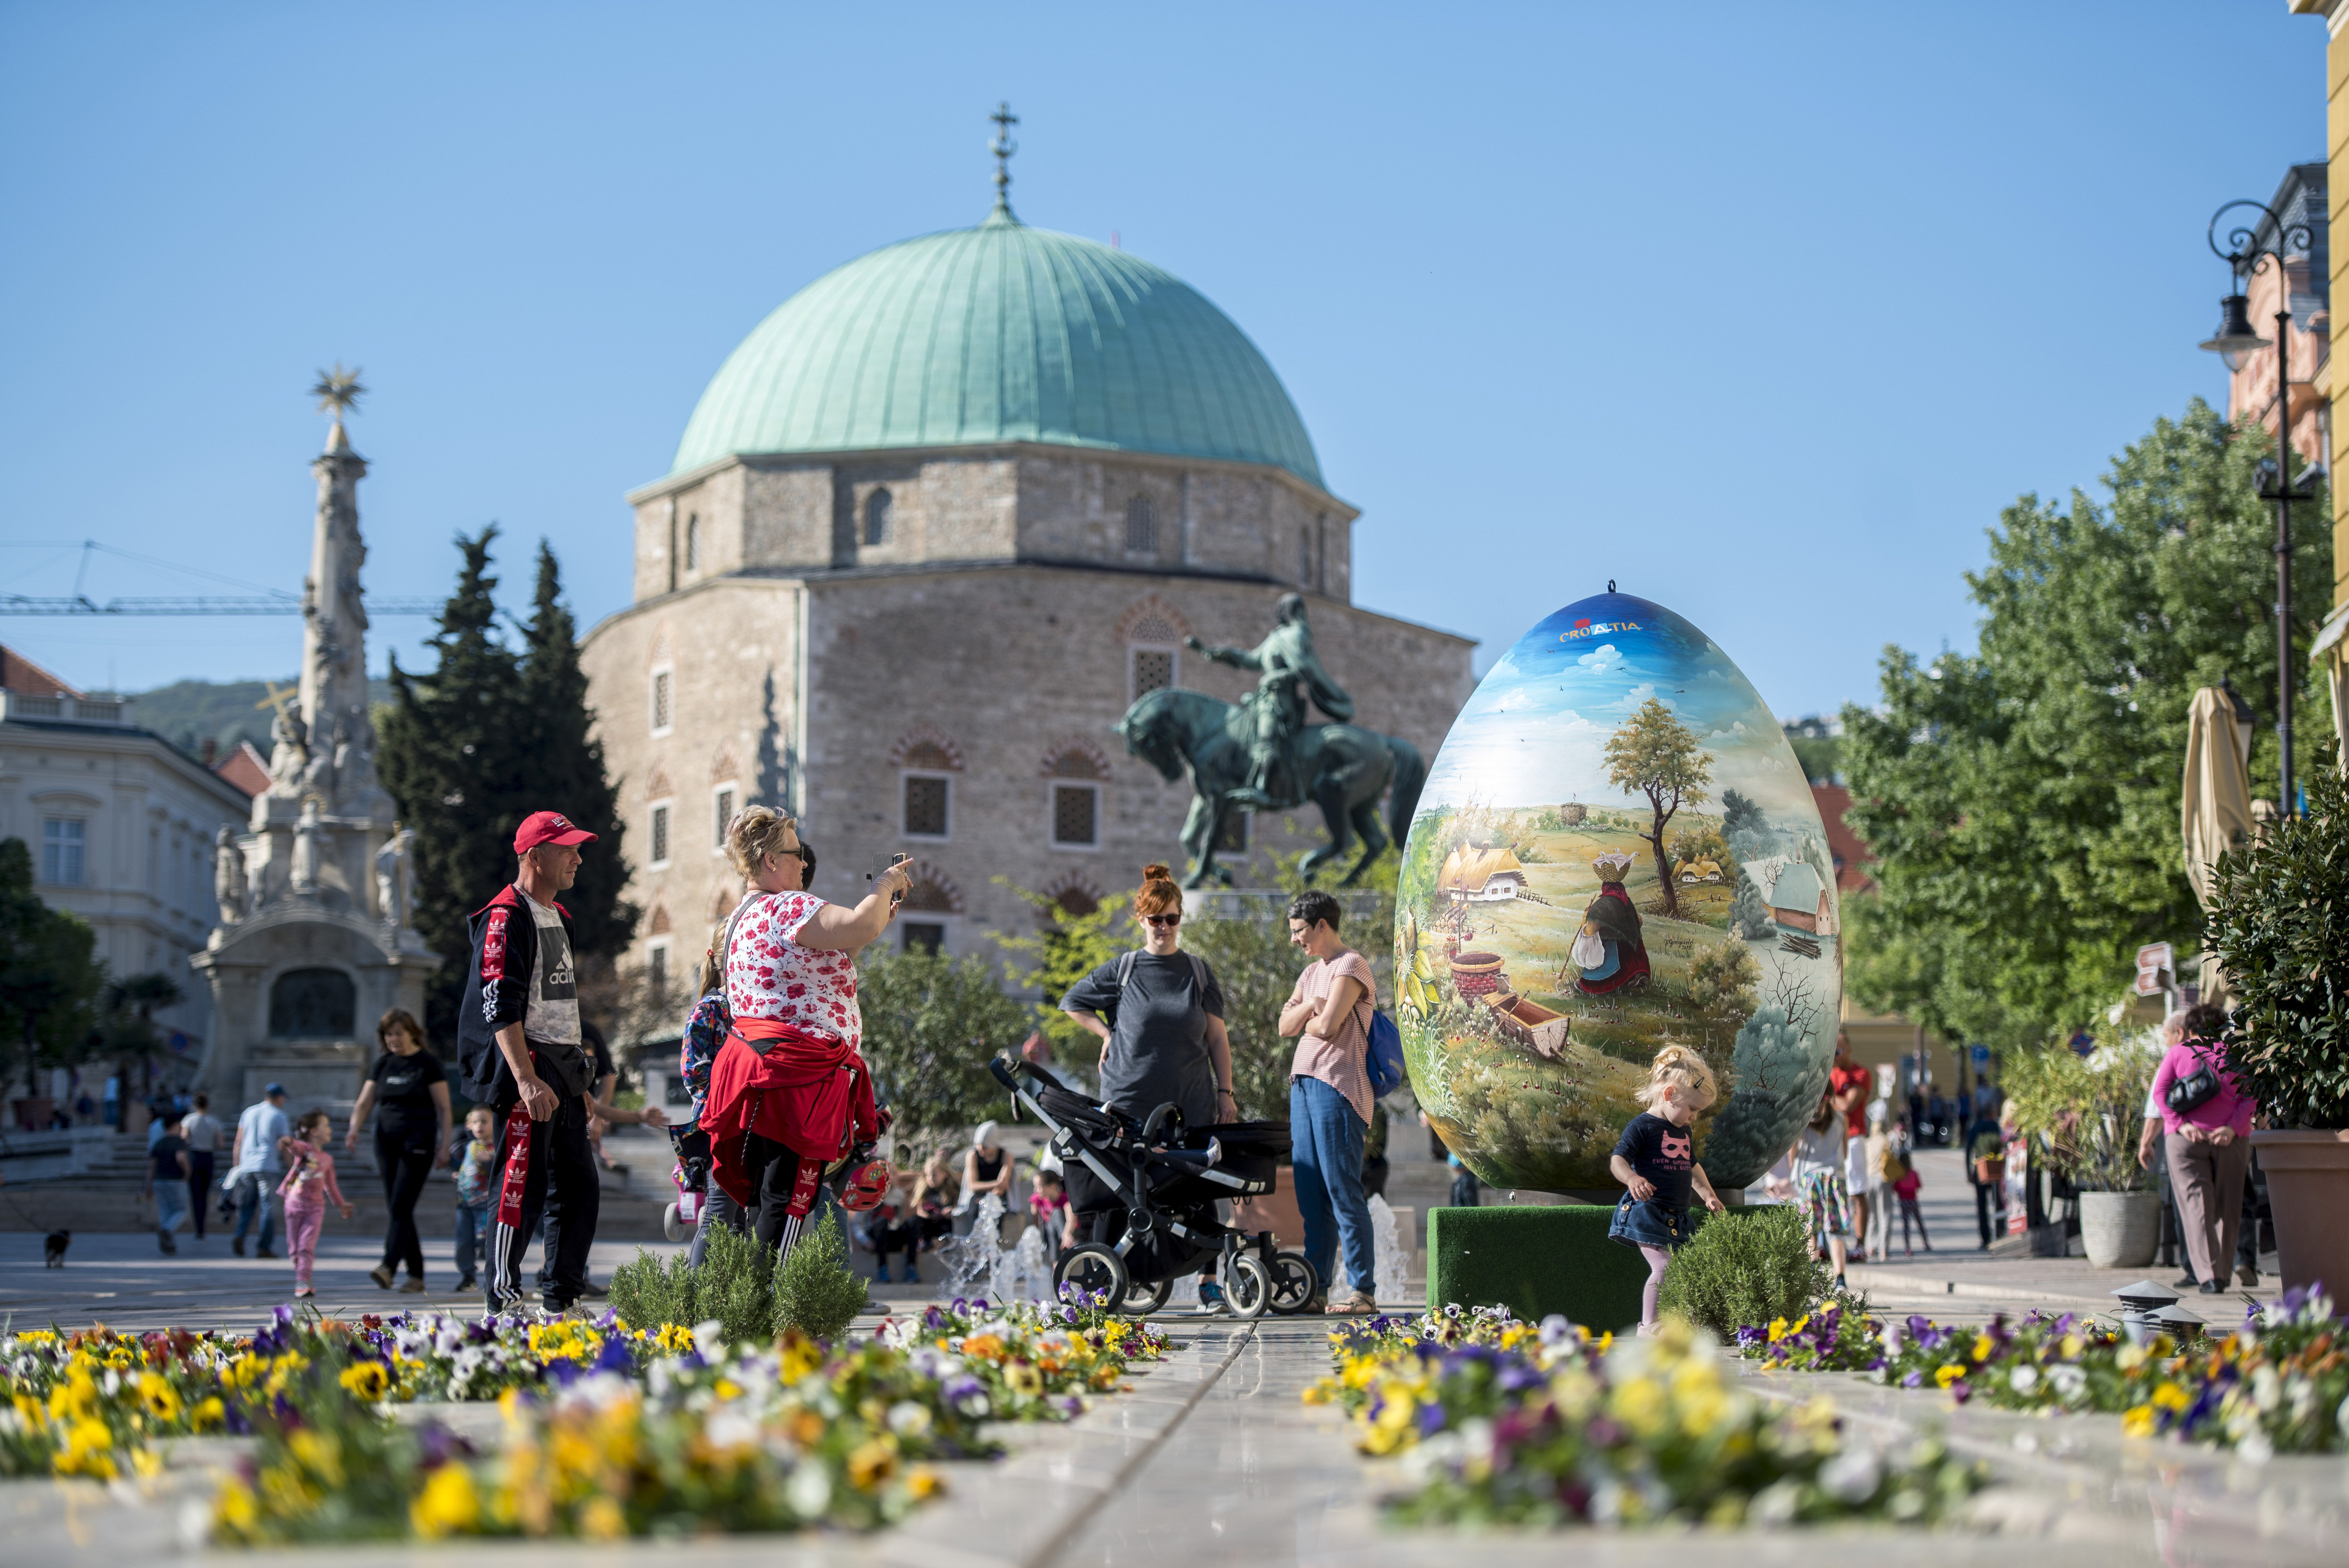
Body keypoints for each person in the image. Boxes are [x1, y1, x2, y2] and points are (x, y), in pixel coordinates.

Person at [459, 810, 667, 1315]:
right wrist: (525, 1079)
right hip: (527, 1067)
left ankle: (562, 1296)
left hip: (565, 1067)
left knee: (579, 1188)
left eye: (578, 847)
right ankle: (504, 1300)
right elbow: (499, 1005)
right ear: (534, 856)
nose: (578, 858)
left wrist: (581, 1082)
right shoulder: (506, 916)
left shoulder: (560, 916)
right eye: (567, 848)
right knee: (519, 1184)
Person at [699, 806, 896, 1262]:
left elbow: (847, 939)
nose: (804, 863)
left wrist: (882, 908)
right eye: (795, 853)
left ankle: (751, 1301)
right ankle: (769, 1306)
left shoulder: (743, 917)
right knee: (788, 1201)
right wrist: (884, 886)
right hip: (797, 1073)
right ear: (770, 860)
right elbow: (862, 926)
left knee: (771, 1194)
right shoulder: (788, 905)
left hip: (760, 1066)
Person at [1061, 863, 1236, 1307]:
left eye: (1172, 919)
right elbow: (1072, 1002)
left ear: (1181, 919)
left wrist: (1226, 1093)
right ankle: (1112, 1279)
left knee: (1198, 1189)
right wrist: (1106, 1035)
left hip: (1189, 1101)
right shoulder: (1123, 969)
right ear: (1141, 920)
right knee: (1122, 1191)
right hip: (1128, 1104)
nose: (1164, 928)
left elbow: (1217, 1037)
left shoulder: (1198, 972)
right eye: (1155, 919)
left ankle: (1208, 1284)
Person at [1278, 886, 1379, 1315]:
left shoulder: (1351, 966)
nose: (1295, 940)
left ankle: (1362, 1290)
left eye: (1300, 931)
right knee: (1311, 1194)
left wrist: (1311, 1014)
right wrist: (1310, 1009)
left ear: (1323, 925)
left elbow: (1328, 1026)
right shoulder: (1311, 974)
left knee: (1342, 1189)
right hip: (1303, 1085)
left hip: (1338, 1087)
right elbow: (1286, 1026)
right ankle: (1315, 1290)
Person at [1608, 1044, 1726, 1335]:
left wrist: (1708, 1194)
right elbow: (1618, 1160)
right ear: (1670, 1095)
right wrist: (1632, 1179)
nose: (1694, 1117)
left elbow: (1692, 1166)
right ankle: (1648, 1326)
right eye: (1693, 1109)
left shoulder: (1682, 1131)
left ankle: (1679, 1324)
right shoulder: (1643, 1127)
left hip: (1677, 1216)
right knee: (1664, 1268)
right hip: (1647, 1212)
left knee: (1686, 1270)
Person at [2152, 1001, 2258, 1298]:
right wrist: (2232, 1128)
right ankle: (2223, 1273)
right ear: (2223, 1028)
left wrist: (2180, 1123)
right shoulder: (2237, 1056)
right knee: (2229, 1207)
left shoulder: (2179, 1052)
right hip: (2232, 1140)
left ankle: (2209, 1278)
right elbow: (2251, 1098)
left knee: (2196, 1208)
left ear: (2192, 1029)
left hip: (2187, 1141)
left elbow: (2160, 1093)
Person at [346, 1006, 451, 1293]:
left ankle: (388, 1266)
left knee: (401, 1205)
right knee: (399, 1207)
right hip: (386, 1141)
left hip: (418, 1141)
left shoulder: (428, 1064)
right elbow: (365, 1103)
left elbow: (444, 1108)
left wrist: (445, 1145)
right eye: (388, 1034)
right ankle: (416, 1275)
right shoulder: (383, 1065)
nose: (393, 1039)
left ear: (412, 1033)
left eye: (398, 1033)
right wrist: (354, 1128)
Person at [277, 1108, 354, 1299]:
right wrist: (287, 1141)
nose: (330, 1129)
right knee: (294, 1249)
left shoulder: (328, 1160)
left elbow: (331, 1186)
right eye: (326, 1126)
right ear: (313, 1132)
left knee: (306, 1246)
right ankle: (300, 1271)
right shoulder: (305, 1150)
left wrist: (341, 1204)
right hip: (294, 1205)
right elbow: (296, 1147)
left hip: (316, 1209)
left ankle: (303, 1281)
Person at [1788, 1089, 1852, 1289]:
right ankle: (1840, 1278)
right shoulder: (1842, 1119)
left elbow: (1793, 1150)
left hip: (1811, 1178)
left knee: (1811, 1227)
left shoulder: (1804, 1119)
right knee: (1835, 1231)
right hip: (1834, 1177)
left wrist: (1795, 1171)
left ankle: (1813, 1271)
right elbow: (1846, 1151)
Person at [1572, 850, 1651, 996]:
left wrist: (1585, 917)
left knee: (1610, 951)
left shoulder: (1601, 906)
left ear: (1605, 888)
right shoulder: (1626, 901)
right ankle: (1638, 975)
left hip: (1615, 954)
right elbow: (1639, 922)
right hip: (1636, 961)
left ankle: (1595, 984)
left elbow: (1590, 931)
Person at [227, 1083, 292, 1259]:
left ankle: (240, 1235)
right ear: (279, 1097)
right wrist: (292, 1167)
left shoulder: (248, 1113)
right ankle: (264, 1247)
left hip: (247, 1166)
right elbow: (285, 1146)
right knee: (268, 1208)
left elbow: (238, 1141)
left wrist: (237, 1165)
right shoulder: (279, 1116)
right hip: (268, 1166)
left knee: (247, 1206)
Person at [1827, 1034, 1873, 1260]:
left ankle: (1861, 1245)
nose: (1834, 1057)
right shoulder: (1830, 1074)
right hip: (1831, 1139)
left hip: (1854, 1138)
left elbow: (1847, 1106)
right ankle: (1833, 1244)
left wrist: (1826, 1096)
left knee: (1857, 1191)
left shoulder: (1861, 1074)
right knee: (1832, 1191)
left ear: (1849, 1050)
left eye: (1838, 1052)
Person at [451, 1105, 496, 1292]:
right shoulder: (468, 1146)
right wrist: (458, 1174)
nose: (479, 1126)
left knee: (485, 1242)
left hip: (486, 1205)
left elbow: (501, 1173)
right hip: (465, 1204)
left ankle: (494, 1276)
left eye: (485, 1122)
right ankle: (468, 1277)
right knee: (464, 1242)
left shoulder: (498, 1148)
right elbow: (464, 1166)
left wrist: (489, 1161)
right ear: (469, 1125)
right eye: (475, 1122)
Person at [146, 1112, 191, 1255]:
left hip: (159, 1181)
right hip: (175, 1180)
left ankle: (169, 1244)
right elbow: (181, 1157)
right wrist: (187, 1171)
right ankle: (168, 1231)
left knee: (165, 1213)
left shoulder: (158, 1143)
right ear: (175, 1126)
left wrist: (148, 1186)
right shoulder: (178, 1142)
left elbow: (152, 1166)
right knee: (181, 1211)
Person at [1963, 1099, 2007, 1248]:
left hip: (1979, 1169)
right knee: (1998, 1203)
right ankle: (2000, 1233)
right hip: (1997, 1168)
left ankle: (1985, 1238)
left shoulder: (1976, 1127)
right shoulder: (1995, 1126)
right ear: (1992, 1113)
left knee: (1982, 1206)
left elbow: (1969, 1149)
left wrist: (1969, 1170)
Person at [180, 1093, 221, 1241]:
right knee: (204, 1195)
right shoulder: (214, 1121)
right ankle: (203, 1228)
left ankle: (199, 1228)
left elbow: (184, 1138)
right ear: (208, 1105)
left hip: (194, 1157)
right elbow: (221, 1143)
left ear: (194, 1105)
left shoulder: (189, 1120)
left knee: (195, 1195)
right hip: (208, 1157)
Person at [960, 1121, 1014, 1233]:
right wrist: (997, 1183)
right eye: (978, 1145)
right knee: (973, 1210)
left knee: (997, 1209)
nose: (980, 1149)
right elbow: (973, 1186)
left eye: (985, 1147)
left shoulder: (1006, 1156)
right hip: (978, 1194)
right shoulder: (973, 1156)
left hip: (997, 1194)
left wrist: (988, 1198)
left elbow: (1003, 1186)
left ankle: (995, 1244)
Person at [1862, 1101, 1893, 1262]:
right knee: (1885, 1214)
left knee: (1872, 1216)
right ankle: (1884, 1249)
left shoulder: (1868, 1142)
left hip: (1868, 1179)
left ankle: (1870, 1246)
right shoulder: (1886, 1140)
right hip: (1883, 1179)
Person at [1889, 1144, 1929, 1256]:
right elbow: (1919, 1186)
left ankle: (1908, 1247)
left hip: (1903, 1201)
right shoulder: (1914, 1173)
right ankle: (1926, 1243)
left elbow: (1895, 1188)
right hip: (1913, 1200)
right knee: (1919, 1222)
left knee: (1906, 1225)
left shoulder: (1899, 1175)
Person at [1028, 1165, 1070, 1269]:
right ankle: (1056, 1262)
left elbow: (1071, 1219)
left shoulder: (1065, 1198)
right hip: (1050, 1235)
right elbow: (1035, 1221)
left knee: (1056, 1213)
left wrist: (1066, 1234)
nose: (1035, 1190)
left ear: (1052, 1186)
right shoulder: (1037, 1199)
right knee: (1050, 1226)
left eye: (1039, 1187)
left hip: (1067, 1232)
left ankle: (1059, 1257)